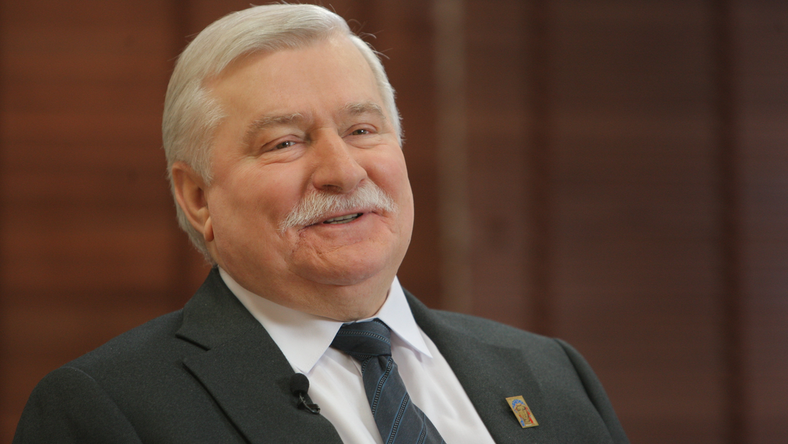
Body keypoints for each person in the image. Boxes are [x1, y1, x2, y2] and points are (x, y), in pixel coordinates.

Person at [13, 4, 629, 443]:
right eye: (285, 142)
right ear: (198, 198)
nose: (343, 170)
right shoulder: (107, 409)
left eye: (362, 130)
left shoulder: (551, 373)